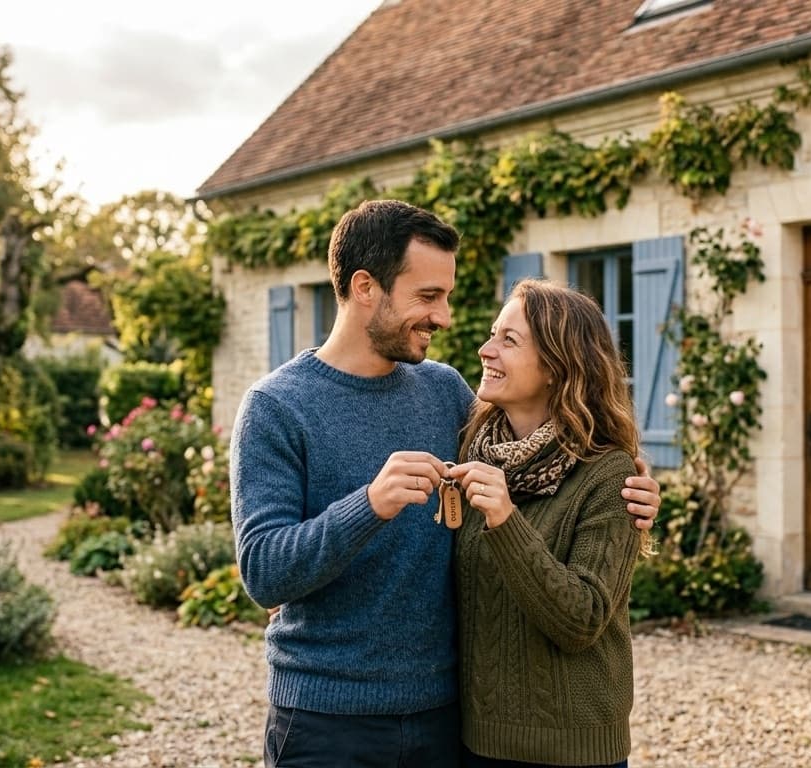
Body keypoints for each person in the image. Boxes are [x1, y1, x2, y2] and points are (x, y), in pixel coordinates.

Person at [231, 200, 660, 768]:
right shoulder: (276, 407)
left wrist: (633, 486)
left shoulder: (446, 393)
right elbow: (263, 573)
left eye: (447, 296)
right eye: (428, 296)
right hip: (327, 722)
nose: (445, 316)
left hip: (447, 720)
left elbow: (547, 452)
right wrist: (369, 505)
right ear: (365, 287)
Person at [449, 280, 645, 767]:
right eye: (494, 334)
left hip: (572, 750)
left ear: (559, 367)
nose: (485, 349)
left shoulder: (608, 473)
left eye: (508, 340)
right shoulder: (471, 450)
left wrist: (505, 518)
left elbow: (582, 619)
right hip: (477, 742)